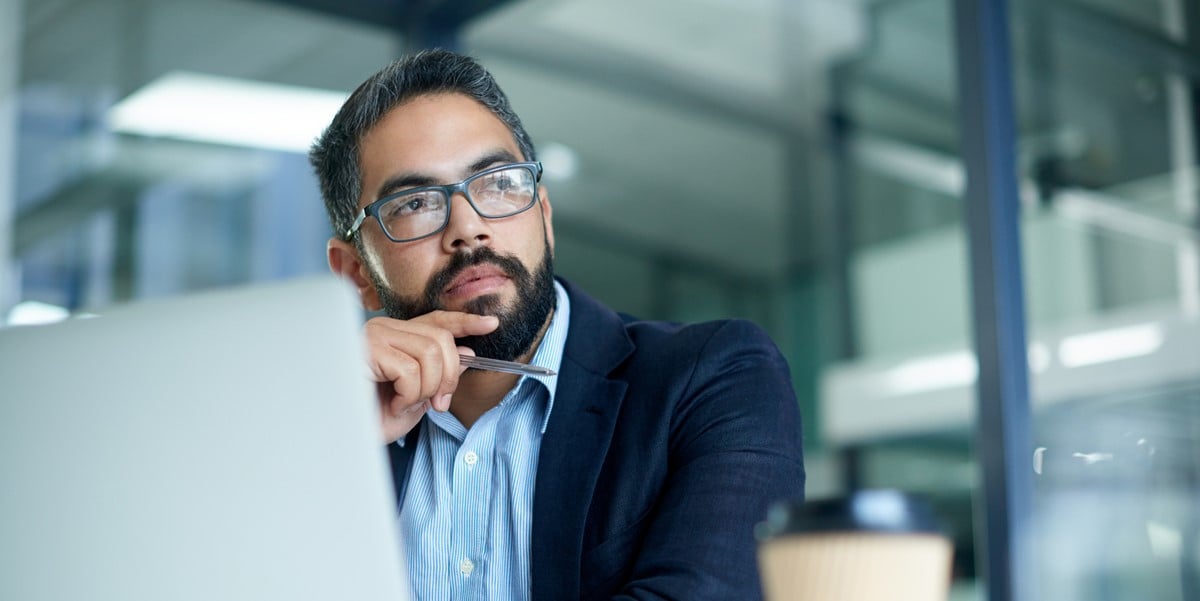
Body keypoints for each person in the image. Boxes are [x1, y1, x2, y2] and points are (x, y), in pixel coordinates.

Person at [309, 49, 805, 601]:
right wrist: (331, 440)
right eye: (417, 202)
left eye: (498, 183)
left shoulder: (715, 377)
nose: (469, 229)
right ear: (357, 274)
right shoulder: (322, 436)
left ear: (543, 215)